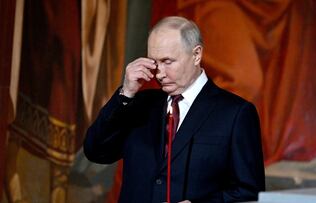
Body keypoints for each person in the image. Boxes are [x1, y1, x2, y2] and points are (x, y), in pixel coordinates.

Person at [83, 16, 265, 203]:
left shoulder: (235, 113)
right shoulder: (138, 104)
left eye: (168, 61)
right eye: (155, 63)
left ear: (196, 55)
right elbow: (96, 151)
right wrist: (125, 93)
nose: (160, 74)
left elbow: (249, 192)